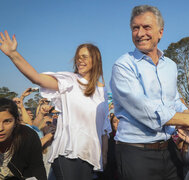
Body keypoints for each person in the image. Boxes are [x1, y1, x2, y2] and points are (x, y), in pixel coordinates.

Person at [110, 5, 189, 180]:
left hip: (169, 149)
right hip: (136, 152)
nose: (140, 33)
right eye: (135, 28)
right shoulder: (123, 66)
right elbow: (145, 109)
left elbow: (174, 101)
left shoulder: (170, 65)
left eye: (146, 27)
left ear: (160, 32)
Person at [0, 32, 111, 180]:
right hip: (69, 154)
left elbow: (104, 128)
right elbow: (37, 78)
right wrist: (13, 54)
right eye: (78, 57)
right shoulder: (70, 81)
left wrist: (103, 156)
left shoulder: (102, 91)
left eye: (84, 56)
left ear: (95, 60)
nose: (80, 60)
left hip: (91, 158)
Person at [0, 97, 47, 180]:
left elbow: (38, 170)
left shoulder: (28, 137)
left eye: (7, 121)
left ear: (16, 121)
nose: (1, 128)